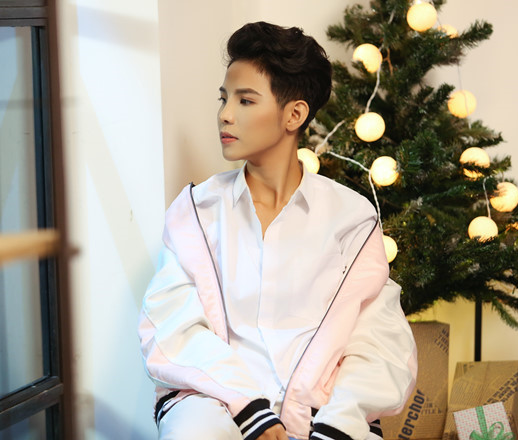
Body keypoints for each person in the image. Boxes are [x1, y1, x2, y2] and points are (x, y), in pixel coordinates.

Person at [138, 21, 417, 440]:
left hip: (322, 411)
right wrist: (251, 410)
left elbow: (379, 341)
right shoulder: (197, 212)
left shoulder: (351, 219)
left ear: (294, 114)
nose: (225, 114)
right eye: (224, 98)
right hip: (219, 406)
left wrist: (338, 421)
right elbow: (171, 325)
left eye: (245, 100)